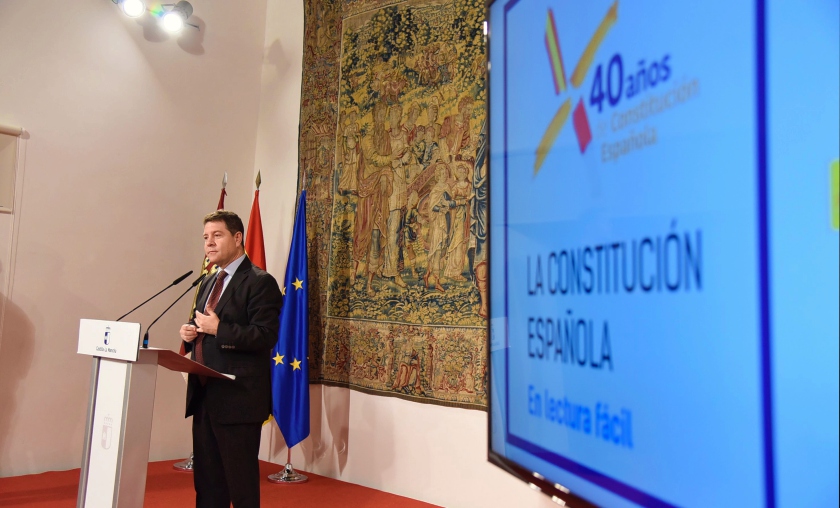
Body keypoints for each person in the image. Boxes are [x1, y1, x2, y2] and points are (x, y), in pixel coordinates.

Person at [180, 210, 282, 508]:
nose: (209, 243)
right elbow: (205, 327)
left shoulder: (260, 282)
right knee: (208, 485)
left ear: (238, 238)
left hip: (238, 399)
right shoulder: (208, 281)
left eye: (217, 235)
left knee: (241, 486)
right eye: (205, 237)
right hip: (205, 395)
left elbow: (265, 336)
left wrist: (219, 329)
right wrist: (191, 333)